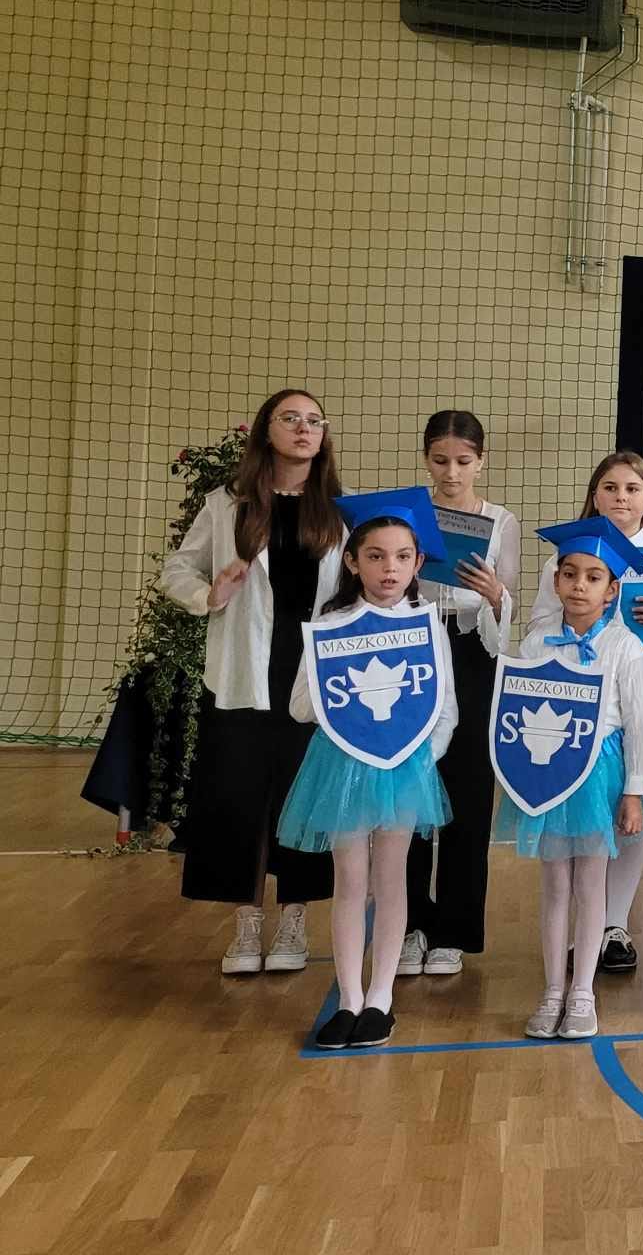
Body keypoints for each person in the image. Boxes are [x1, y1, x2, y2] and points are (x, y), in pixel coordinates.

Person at [161, 388, 346, 975]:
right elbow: (177, 569)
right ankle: (246, 921)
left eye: (314, 421)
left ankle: (294, 918)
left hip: (313, 672)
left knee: (302, 795)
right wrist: (209, 593)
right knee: (239, 795)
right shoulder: (227, 503)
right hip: (243, 668)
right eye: (291, 418)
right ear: (267, 430)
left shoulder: (340, 510)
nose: (304, 428)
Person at [278, 492, 457, 1049]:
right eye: (376, 556)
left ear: (418, 563)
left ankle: (381, 998)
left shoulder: (427, 625)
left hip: (404, 770)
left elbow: (444, 709)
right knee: (350, 881)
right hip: (343, 768)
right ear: (353, 561)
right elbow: (300, 706)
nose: (390, 569)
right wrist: (343, 689)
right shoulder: (332, 624)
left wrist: (416, 761)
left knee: (392, 879)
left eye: (402, 557)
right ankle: (348, 998)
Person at [529, 452, 643, 975]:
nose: (621, 497)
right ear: (595, 496)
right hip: (577, 687)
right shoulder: (566, 558)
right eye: (610, 487)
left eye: (632, 488)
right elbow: (538, 625)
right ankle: (577, 926)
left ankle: (613, 924)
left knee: (634, 805)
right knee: (578, 802)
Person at [496, 519, 643, 1040]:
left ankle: (583, 991)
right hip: (550, 771)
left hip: (600, 776)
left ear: (612, 589)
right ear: (556, 580)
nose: (579, 586)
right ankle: (552, 989)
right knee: (553, 884)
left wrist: (633, 791)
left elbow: (638, 725)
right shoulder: (536, 643)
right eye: (570, 574)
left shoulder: (627, 647)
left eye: (593, 577)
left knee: (591, 884)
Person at [403, 410, 515, 978]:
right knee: (408, 790)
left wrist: (495, 595)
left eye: (463, 461)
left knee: (468, 792)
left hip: (473, 655)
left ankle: (455, 929)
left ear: (481, 461)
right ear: (426, 459)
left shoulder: (501, 521)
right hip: (415, 652)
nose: (451, 473)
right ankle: (409, 925)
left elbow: (507, 605)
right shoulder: (409, 515)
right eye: (440, 461)